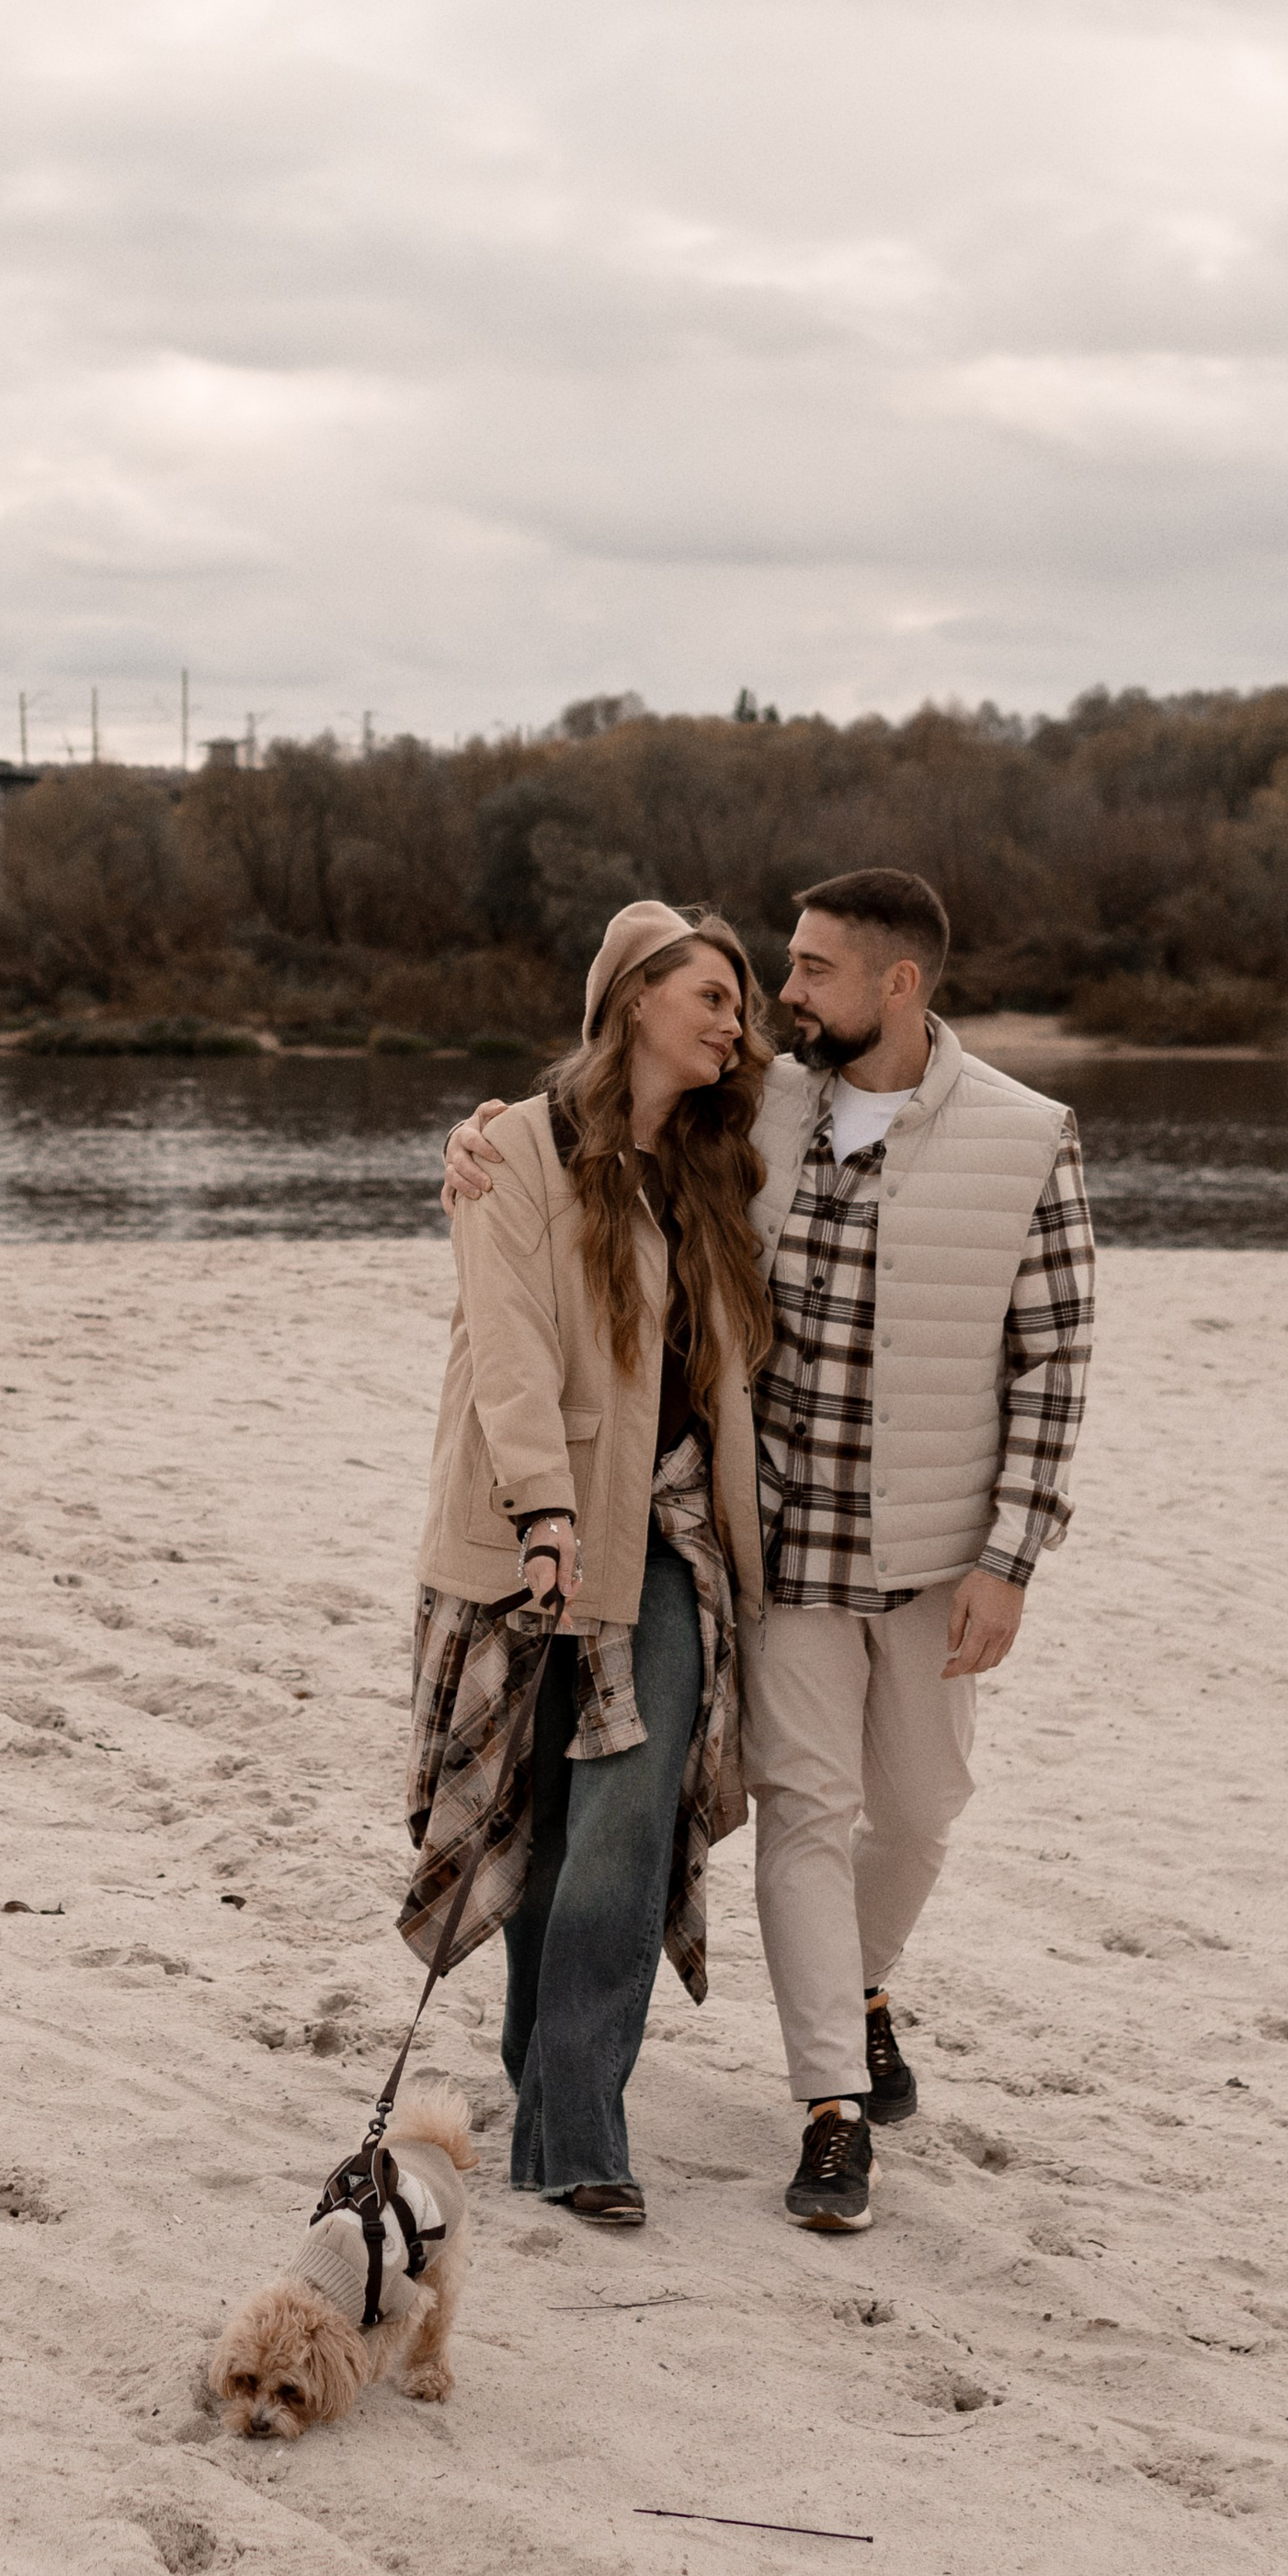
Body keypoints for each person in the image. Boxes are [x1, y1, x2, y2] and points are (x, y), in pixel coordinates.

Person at [445, 867, 1094, 2236]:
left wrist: (1012, 1557)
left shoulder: (970, 1135)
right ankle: (726, 2117)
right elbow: (535, 1261)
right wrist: (482, 1133)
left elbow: (1052, 1367)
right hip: (678, 1542)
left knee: (864, 1816)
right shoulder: (701, 1120)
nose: (770, 1010)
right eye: (748, 986)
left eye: (796, 977)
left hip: (818, 1547)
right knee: (681, 1825)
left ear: (897, 984)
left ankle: (840, 1994)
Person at [404, 900, 772, 2230]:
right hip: (532, 1534)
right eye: (712, 999)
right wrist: (544, 1516)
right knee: (544, 1838)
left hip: (676, 1539)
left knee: (626, 1820)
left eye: (743, 1003)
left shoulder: (727, 1158)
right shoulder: (511, 1150)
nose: (737, 1023)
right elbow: (508, 1350)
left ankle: (576, 2132)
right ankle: (548, 2089)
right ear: (631, 1003)